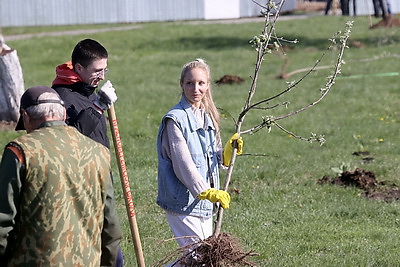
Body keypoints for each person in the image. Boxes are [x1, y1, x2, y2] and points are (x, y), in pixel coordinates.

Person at [0, 86, 116, 266]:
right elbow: (110, 226)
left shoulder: (20, 151)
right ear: (63, 114)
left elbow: (3, 221)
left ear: (25, 116)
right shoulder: (99, 152)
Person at [156, 59, 243, 256]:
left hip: (204, 204)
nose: (196, 88)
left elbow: (213, 158)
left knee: (196, 259)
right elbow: (182, 165)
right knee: (200, 258)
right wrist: (207, 191)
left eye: (201, 83)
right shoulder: (175, 120)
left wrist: (227, 153)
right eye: (190, 83)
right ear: (181, 85)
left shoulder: (207, 116)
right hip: (183, 203)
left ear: (208, 85)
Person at [51, 39, 123, 266]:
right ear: (79, 68)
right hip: (81, 186)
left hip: (101, 180)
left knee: (111, 248)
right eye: (97, 71)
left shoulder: (87, 93)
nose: (101, 76)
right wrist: (98, 106)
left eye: (105, 69)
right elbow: (71, 139)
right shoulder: (60, 98)